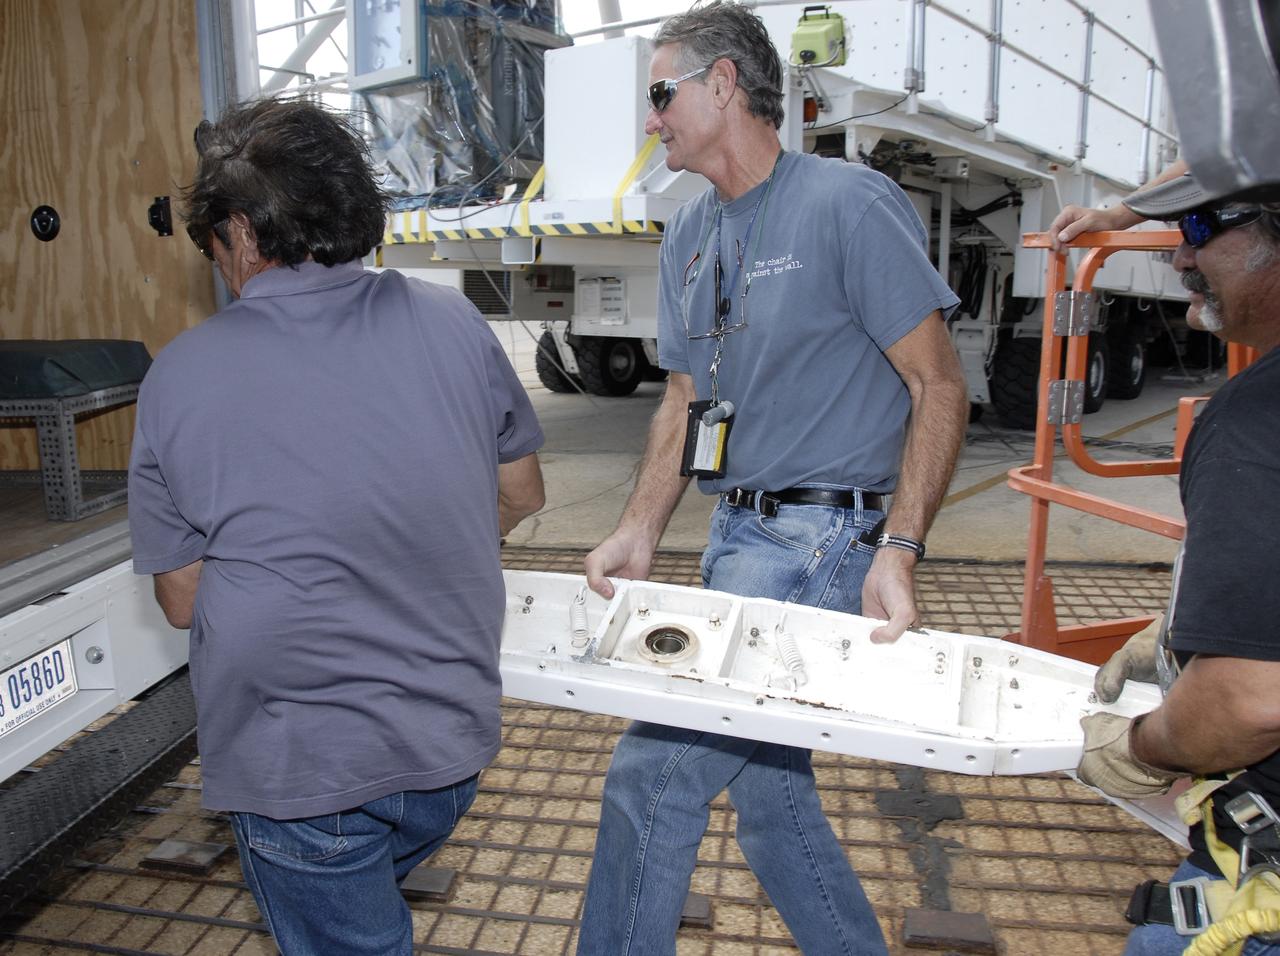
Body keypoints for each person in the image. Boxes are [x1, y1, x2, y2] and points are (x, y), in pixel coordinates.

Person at [576, 4, 969, 952]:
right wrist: (640, 530)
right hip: (738, 538)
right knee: (769, 802)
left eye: (661, 93)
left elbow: (939, 382)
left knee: (653, 777)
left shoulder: (845, 202)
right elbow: (681, 399)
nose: (650, 118)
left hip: (822, 538)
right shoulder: (687, 231)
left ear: (724, 86)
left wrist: (900, 548)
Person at [127, 99, 545, 955]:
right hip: (448, 749)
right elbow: (521, 493)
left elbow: (180, 599)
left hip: (299, 770)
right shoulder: (454, 323)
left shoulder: (181, 376)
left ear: (241, 233)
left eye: (211, 240)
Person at [1076, 170, 1280, 955]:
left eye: (1197, 231)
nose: (1179, 260)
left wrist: (1142, 748)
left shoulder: (1256, 420)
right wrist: (1191, 628)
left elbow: (1252, 700)